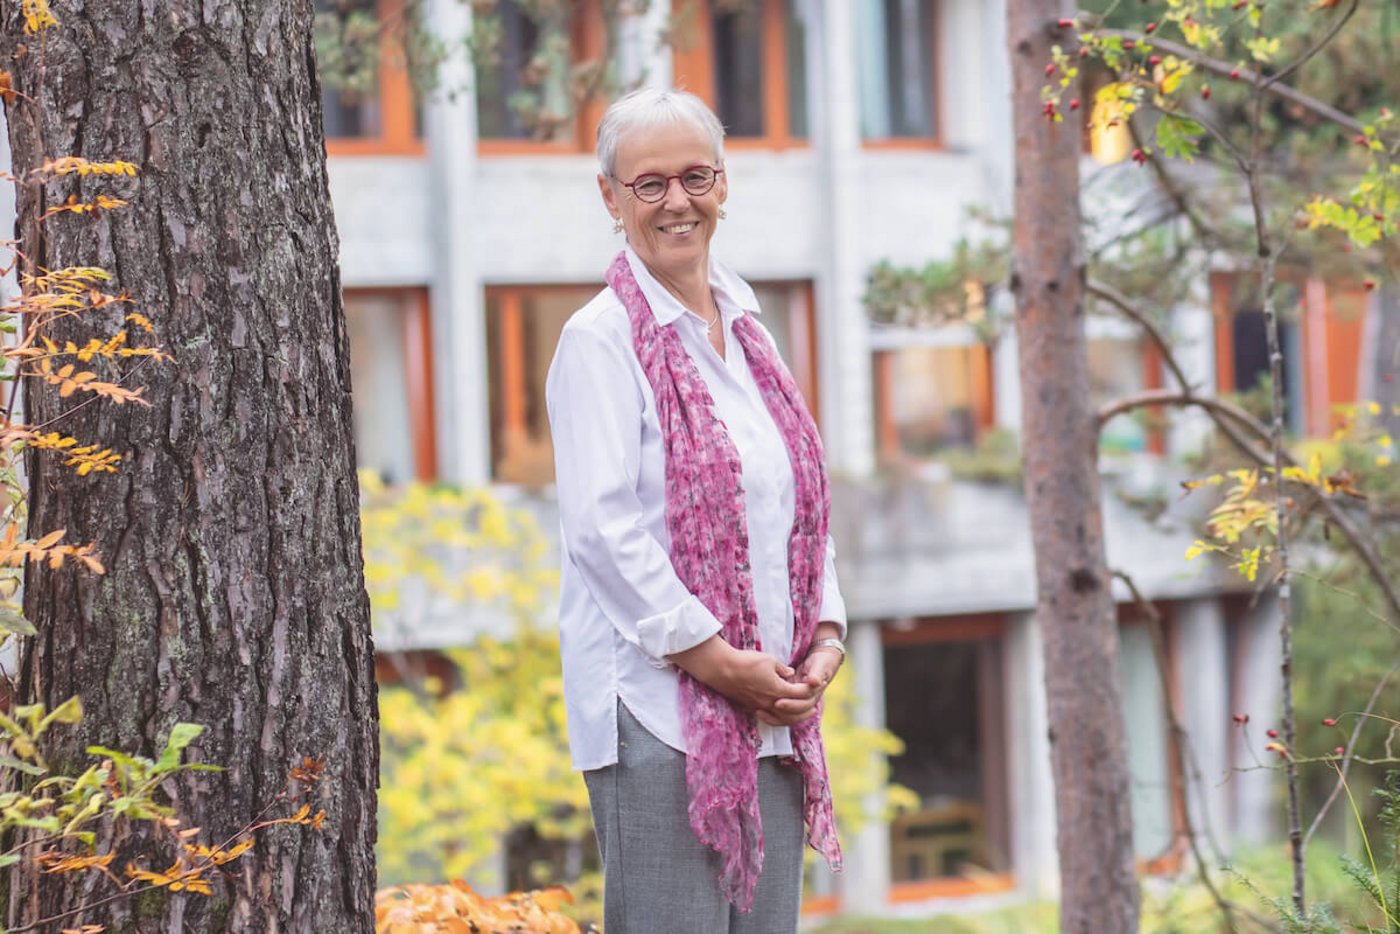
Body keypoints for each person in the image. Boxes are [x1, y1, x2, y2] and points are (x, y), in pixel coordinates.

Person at [545, 87, 848, 934]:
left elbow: (795, 503)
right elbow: (603, 534)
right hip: (656, 712)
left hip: (773, 707)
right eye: (649, 185)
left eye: (695, 176)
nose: (677, 201)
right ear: (610, 197)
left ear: (723, 183)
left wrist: (824, 637)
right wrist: (717, 660)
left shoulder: (752, 328)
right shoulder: (599, 341)